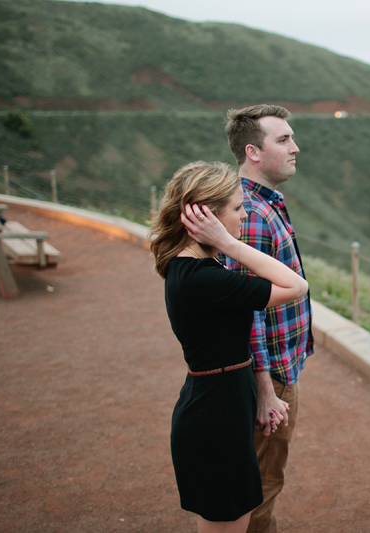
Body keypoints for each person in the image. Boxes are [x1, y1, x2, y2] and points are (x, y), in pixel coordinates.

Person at [149, 161, 308, 533]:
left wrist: (263, 395)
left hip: (218, 406)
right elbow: (296, 286)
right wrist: (230, 243)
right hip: (217, 419)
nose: (245, 213)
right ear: (209, 215)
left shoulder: (191, 267)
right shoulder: (204, 278)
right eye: (237, 208)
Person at [224, 105, 313, 533]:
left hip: (277, 370)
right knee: (263, 484)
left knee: (262, 482)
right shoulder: (254, 215)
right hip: (271, 377)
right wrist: (266, 392)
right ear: (252, 152)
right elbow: (250, 311)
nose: (296, 148)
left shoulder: (258, 203)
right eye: (283, 140)